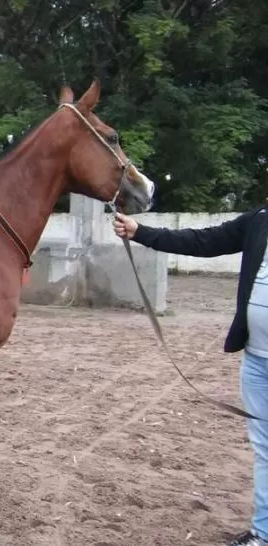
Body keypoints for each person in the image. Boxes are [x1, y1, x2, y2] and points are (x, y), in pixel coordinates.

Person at [114, 208, 268, 546]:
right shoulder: (259, 220)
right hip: (257, 359)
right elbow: (203, 240)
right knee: (265, 448)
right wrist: (140, 231)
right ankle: (263, 532)